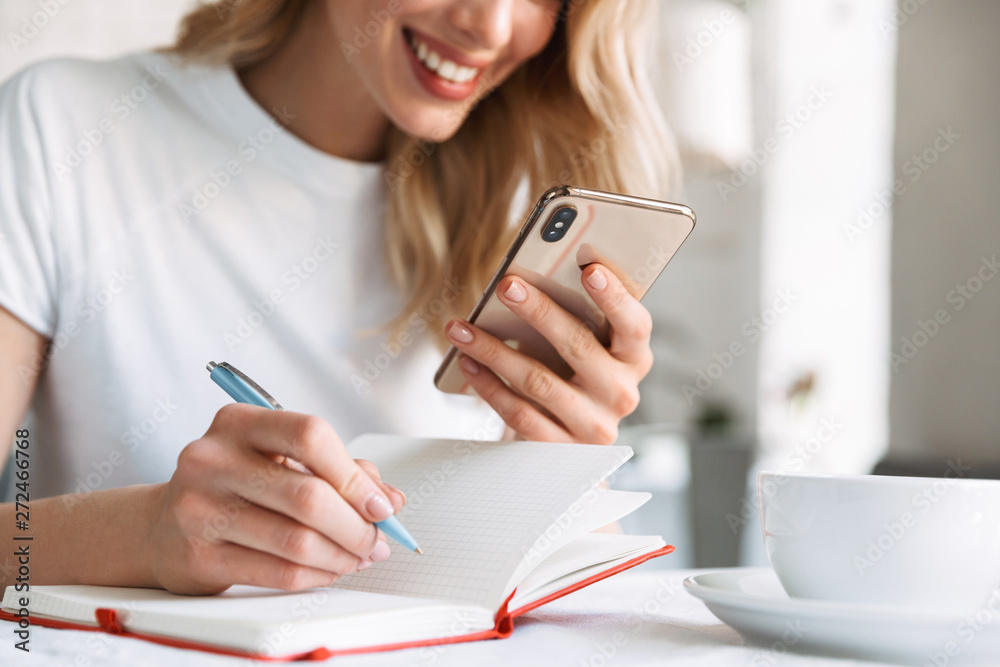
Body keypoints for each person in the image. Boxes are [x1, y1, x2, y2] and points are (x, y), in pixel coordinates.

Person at [0, 0, 674, 594]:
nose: (490, 24)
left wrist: (571, 460)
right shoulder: (60, 127)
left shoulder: (532, 204)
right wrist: (145, 533)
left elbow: (582, 615)